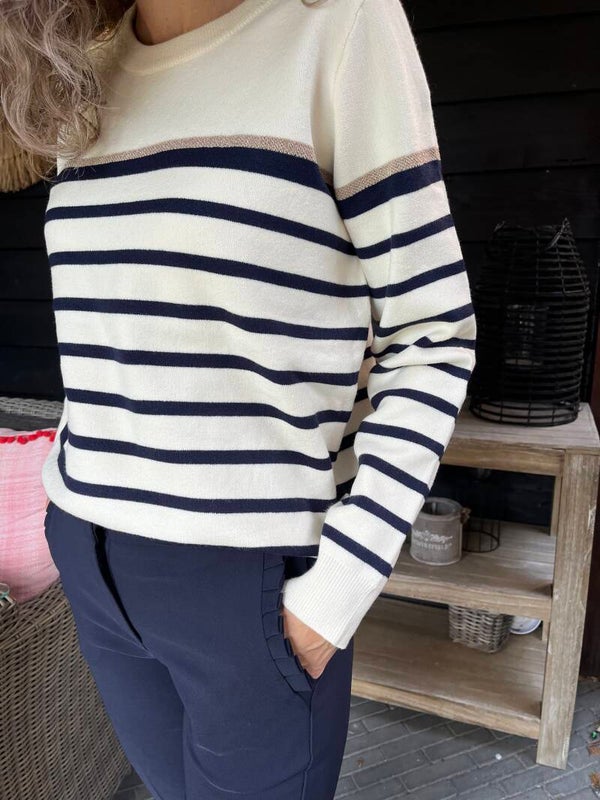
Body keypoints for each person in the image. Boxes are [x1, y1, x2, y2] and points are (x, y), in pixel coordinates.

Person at [0, 0, 477, 797]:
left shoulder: (340, 27)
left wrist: (337, 592)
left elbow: (431, 333)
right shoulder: (85, 69)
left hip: (247, 585)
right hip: (89, 552)